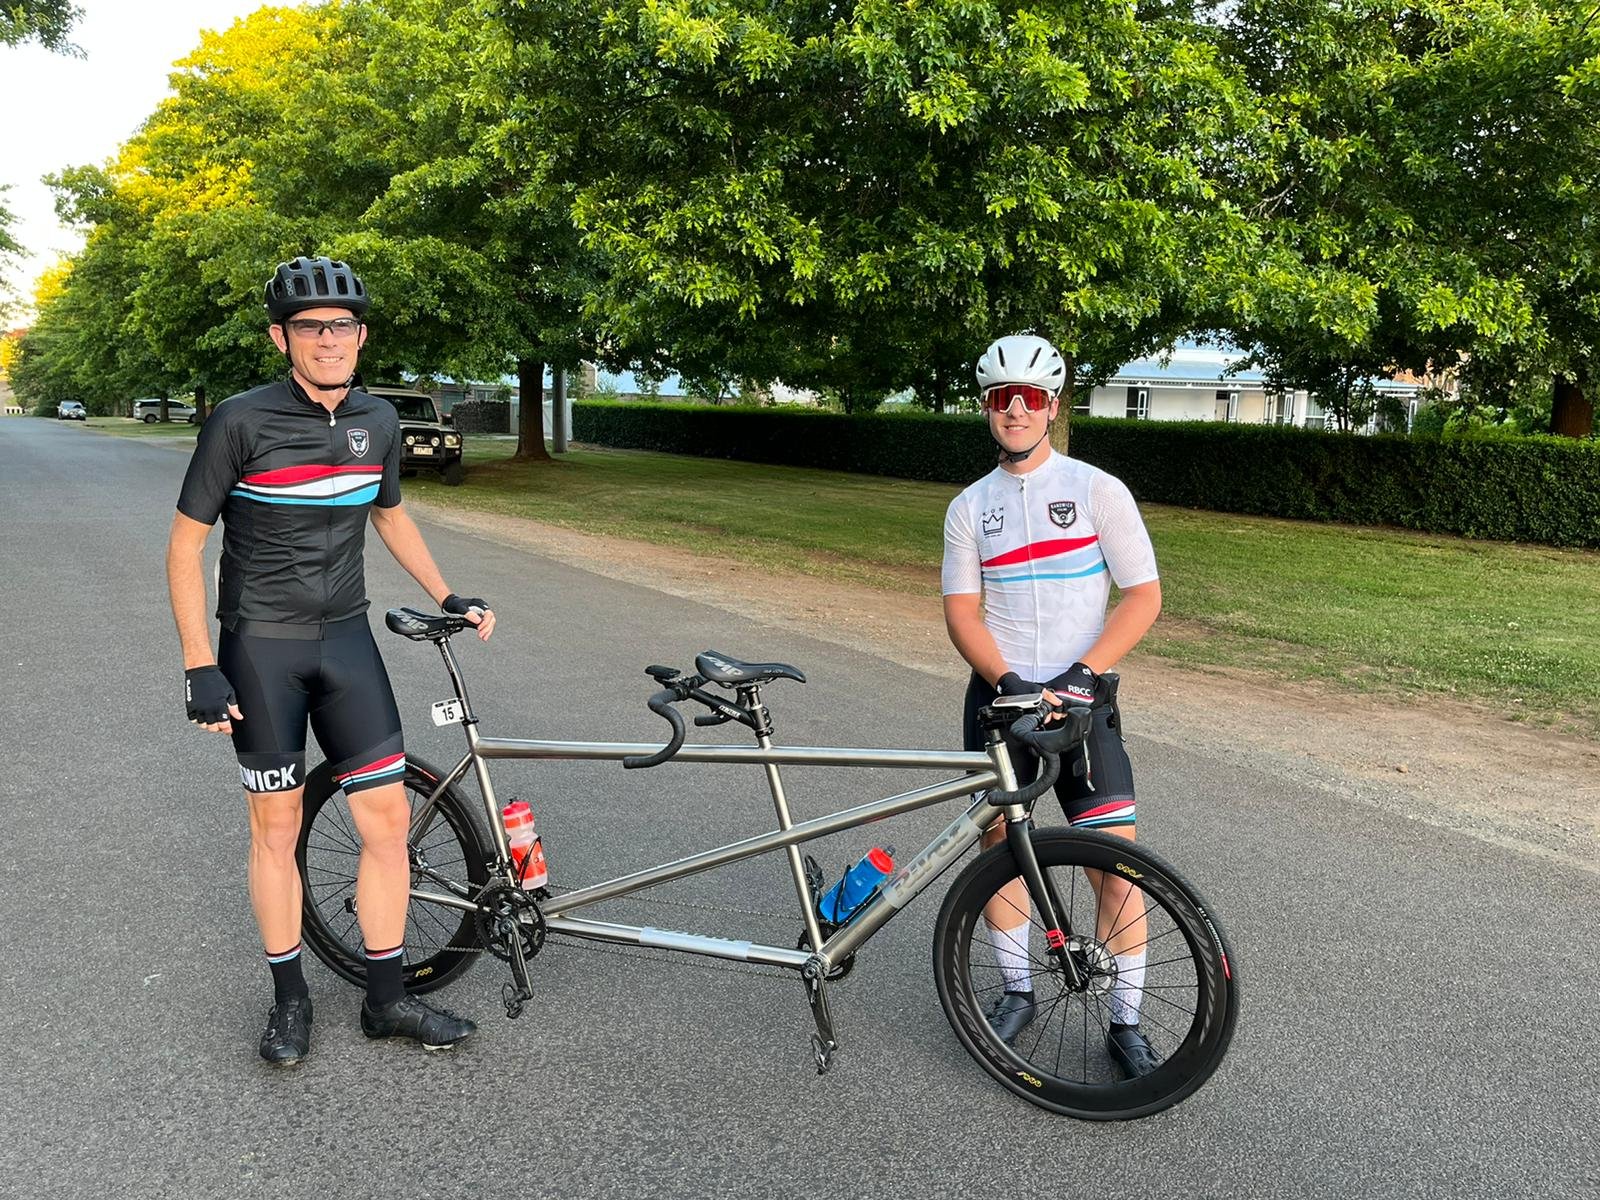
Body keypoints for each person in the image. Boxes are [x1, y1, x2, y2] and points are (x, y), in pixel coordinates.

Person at [166, 256, 497, 1065]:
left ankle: (386, 1001)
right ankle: (289, 1001)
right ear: (283, 336)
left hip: (347, 641)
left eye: (341, 326)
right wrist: (198, 664)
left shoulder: (378, 420)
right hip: (260, 648)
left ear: (361, 335)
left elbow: (390, 514)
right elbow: (184, 548)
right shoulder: (239, 422)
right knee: (276, 828)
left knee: (385, 824)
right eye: (311, 326)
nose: (328, 339)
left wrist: (448, 592)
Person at [941, 333, 1164, 1078]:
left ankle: (1127, 1022)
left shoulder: (1099, 488)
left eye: (1030, 398)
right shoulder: (969, 507)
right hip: (1000, 701)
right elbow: (963, 612)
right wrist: (1005, 682)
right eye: (1002, 398)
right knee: (1001, 855)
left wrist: (1085, 673)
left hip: (1082, 701)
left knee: (1117, 867)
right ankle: (1016, 991)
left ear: (1052, 406)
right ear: (986, 408)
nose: (1015, 410)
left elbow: (1144, 596)